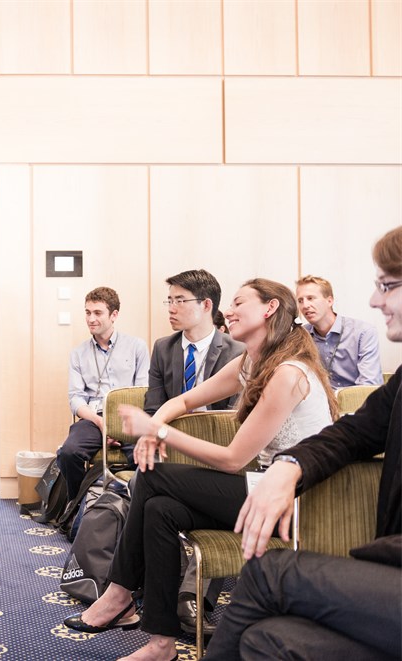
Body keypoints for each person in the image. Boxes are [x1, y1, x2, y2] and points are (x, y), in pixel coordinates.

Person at [64, 278, 338, 661]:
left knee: (154, 474)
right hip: (260, 487)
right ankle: (161, 644)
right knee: (160, 510)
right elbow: (186, 399)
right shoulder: (252, 361)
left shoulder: (288, 373)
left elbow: (233, 459)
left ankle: (120, 591)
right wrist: (153, 430)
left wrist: (156, 431)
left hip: (295, 503)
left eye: (240, 302)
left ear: (270, 308)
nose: (230, 310)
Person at [204, 227, 402, 660]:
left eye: (387, 286)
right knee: (267, 640)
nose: (374, 301)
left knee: (266, 574)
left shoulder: (289, 370)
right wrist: (289, 466)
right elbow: (352, 433)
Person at [143, 270, 245, 634]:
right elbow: (155, 404)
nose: (170, 307)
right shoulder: (163, 347)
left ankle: (192, 597)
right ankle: (148, 593)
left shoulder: (238, 352)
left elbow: (234, 423)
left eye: (178, 300)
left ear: (206, 306)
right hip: (171, 451)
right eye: (168, 299)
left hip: (220, 457)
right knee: (154, 500)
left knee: (153, 487)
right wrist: (154, 433)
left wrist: (166, 430)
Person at [55, 286, 149, 499]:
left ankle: (133, 508)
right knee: (69, 453)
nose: (91, 319)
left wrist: (118, 428)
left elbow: (143, 392)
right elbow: (76, 398)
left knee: (146, 456)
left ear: (114, 315)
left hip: (130, 418)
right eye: (87, 312)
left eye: (98, 313)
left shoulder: (136, 347)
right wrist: (102, 425)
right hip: (94, 418)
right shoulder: (78, 353)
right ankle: (77, 505)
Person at [295, 274, 383, 388]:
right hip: (320, 404)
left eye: (310, 298)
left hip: (356, 403)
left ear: (329, 301)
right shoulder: (301, 336)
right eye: (300, 300)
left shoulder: (364, 332)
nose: (305, 305)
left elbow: (369, 386)